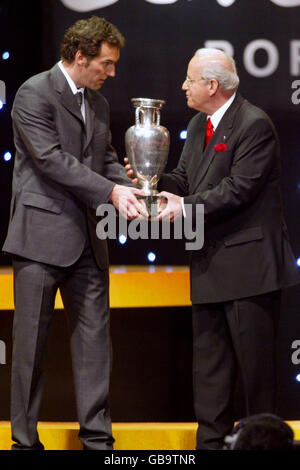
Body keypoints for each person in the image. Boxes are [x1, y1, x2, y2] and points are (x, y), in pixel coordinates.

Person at [126, 48, 300, 449]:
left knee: (257, 383)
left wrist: (183, 207)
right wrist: (151, 178)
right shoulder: (198, 123)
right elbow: (186, 180)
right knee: (209, 381)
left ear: (212, 85)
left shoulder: (254, 124)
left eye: (189, 79)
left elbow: (238, 190)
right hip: (208, 268)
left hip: (249, 272)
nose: (182, 86)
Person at [2, 16, 146, 450]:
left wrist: (130, 186)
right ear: (80, 56)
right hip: (40, 239)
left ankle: (98, 441)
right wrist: (110, 191)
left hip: (89, 241)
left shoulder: (98, 104)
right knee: (30, 350)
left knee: (95, 347)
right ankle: (25, 442)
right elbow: (49, 161)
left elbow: (102, 158)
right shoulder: (33, 92)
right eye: (106, 63)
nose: (112, 72)